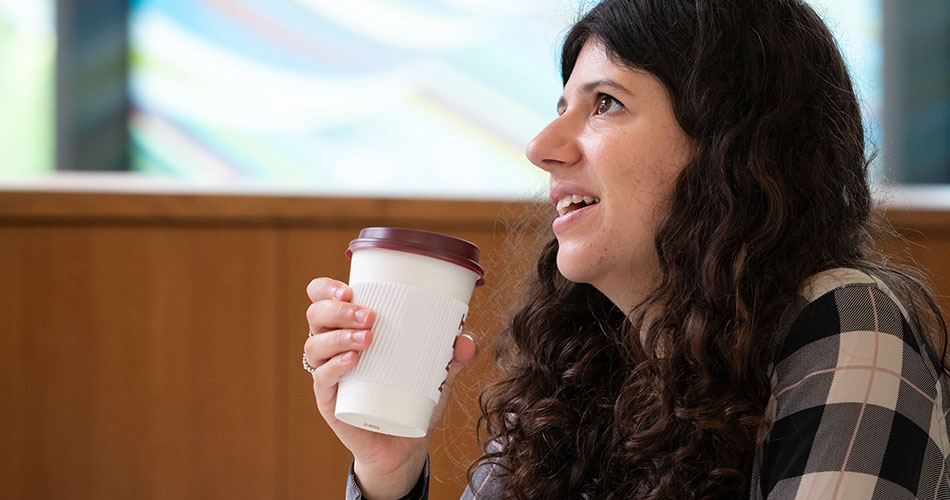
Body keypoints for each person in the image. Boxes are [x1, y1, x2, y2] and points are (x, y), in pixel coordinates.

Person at [304, 0, 950, 498]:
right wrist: (389, 471)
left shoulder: (843, 318)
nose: (542, 146)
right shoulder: (575, 367)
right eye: (560, 106)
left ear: (728, 144)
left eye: (605, 103)